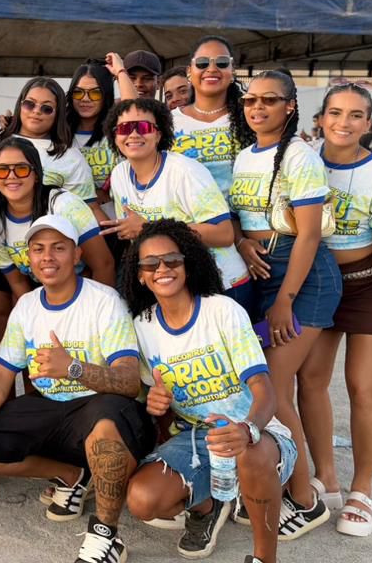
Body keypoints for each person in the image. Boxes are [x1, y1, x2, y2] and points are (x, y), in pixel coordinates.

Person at [0, 214, 153, 563]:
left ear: (77, 255)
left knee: (106, 427)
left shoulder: (103, 300)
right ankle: (73, 475)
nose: (47, 257)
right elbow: (0, 375)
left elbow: (129, 382)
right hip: (54, 410)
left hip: (105, 408)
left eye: (58, 248)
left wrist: (72, 368)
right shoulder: (27, 306)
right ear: (29, 258)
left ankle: (106, 535)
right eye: (38, 249)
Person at [122, 219, 296, 563]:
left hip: (255, 429)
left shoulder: (222, 310)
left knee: (251, 453)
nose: (162, 269)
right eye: (150, 264)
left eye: (172, 260)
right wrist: (157, 403)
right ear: (140, 274)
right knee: (142, 500)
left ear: (188, 263)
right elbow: (156, 398)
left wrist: (248, 429)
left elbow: (264, 390)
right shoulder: (142, 326)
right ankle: (209, 504)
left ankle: (264, 558)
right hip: (198, 440)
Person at [229, 69, 341, 539]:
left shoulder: (298, 156)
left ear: (290, 106)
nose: (258, 108)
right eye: (251, 100)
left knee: (271, 388)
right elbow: (241, 217)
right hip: (263, 266)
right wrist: (240, 241)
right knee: (282, 389)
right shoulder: (244, 155)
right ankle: (298, 479)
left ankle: (306, 498)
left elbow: (310, 233)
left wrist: (285, 301)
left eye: (270, 101)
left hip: (303, 276)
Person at [299, 81, 372, 538]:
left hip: (366, 287)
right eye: (336, 113)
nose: (344, 123)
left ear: (369, 123)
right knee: (310, 381)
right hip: (316, 284)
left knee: (364, 388)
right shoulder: (301, 163)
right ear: (320, 118)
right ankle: (326, 477)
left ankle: (362, 490)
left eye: (355, 115)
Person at [0, 76, 95, 340]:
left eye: (47, 108)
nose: (36, 111)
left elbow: (86, 210)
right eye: (30, 104)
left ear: (58, 113)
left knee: (37, 335)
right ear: (19, 105)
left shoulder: (67, 157)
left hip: (41, 258)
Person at [102, 96, 253, 313]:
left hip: (222, 284)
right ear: (114, 136)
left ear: (159, 134)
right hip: (173, 288)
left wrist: (148, 227)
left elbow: (224, 233)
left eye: (143, 126)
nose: (134, 134)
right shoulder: (119, 175)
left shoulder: (184, 171)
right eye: (124, 128)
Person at [120, 37, 254, 216]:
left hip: (250, 227)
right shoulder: (167, 121)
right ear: (189, 72)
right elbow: (133, 116)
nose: (212, 69)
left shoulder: (251, 116)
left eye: (222, 63)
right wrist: (121, 72)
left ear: (232, 71)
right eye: (202, 63)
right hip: (185, 228)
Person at [0, 137, 113, 301]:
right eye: (2, 170)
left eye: (21, 169)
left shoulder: (66, 206)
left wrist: (95, 315)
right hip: (41, 295)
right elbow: (18, 283)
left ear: (36, 174)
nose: (11, 176)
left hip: (85, 292)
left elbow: (104, 265)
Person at [67, 62, 117, 227]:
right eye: (78, 92)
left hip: (113, 223)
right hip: (68, 223)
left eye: (95, 93)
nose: (85, 99)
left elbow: (138, 114)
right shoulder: (59, 133)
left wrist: (121, 72)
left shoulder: (119, 133)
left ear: (106, 95)